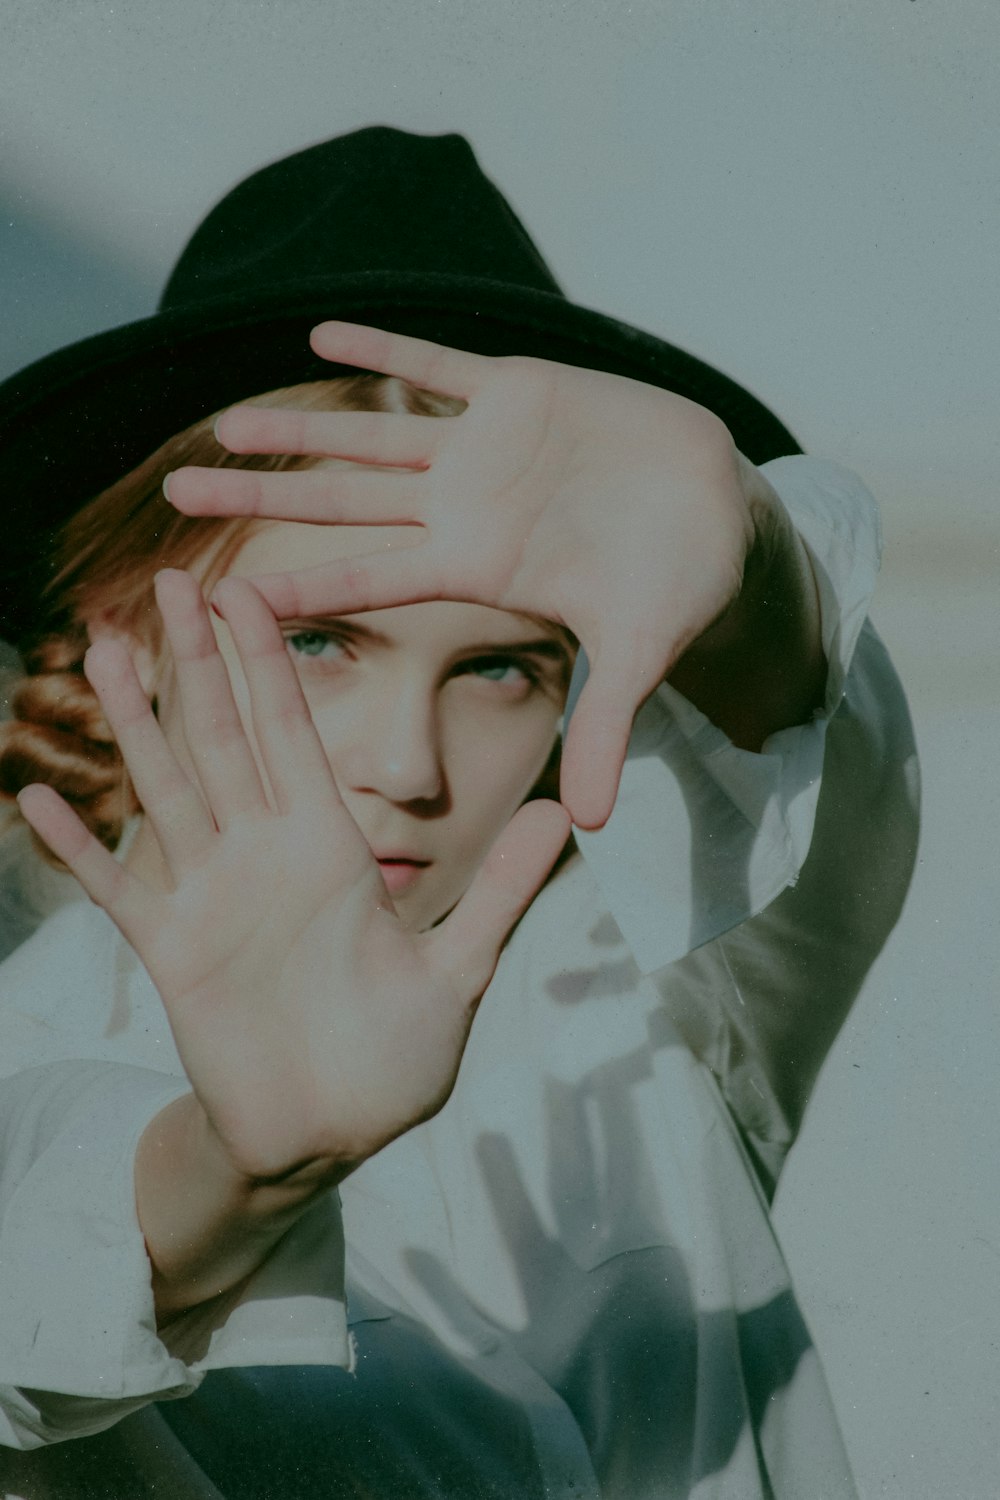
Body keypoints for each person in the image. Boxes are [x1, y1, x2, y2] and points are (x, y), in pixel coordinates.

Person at [0, 128, 918, 1498]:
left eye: (501, 667)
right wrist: (232, 1177)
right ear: (125, 625)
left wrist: (747, 546)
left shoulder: (664, 971)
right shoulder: (29, 1031)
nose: (407, 768)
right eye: (320, 643)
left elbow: (817, 740)